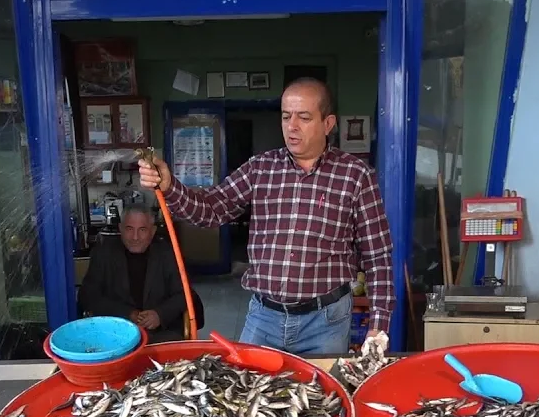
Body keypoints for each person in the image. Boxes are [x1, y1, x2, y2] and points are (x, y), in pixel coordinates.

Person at [137, 77, 393, 355]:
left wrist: (378, 324)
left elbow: (377, 254)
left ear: (328, 124)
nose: (292, 126)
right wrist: (170, 186)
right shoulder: (260, 169)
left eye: (304, 117)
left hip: (326, 322)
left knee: (320, 395)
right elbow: (210, 209)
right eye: (286, 116)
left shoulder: (355, 175)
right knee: (247, 393)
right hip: (263, 319)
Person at [79, 208, 189, 343]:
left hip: (161, 334)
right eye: (129, 229)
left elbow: (184, 294)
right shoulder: (104, 254)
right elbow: (87, 296)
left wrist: (160, 314)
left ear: (152, 231)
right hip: (115, 334)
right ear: (120, 229)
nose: (135, 237)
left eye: (142, 230)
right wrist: (127, 313)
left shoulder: (167, 254)